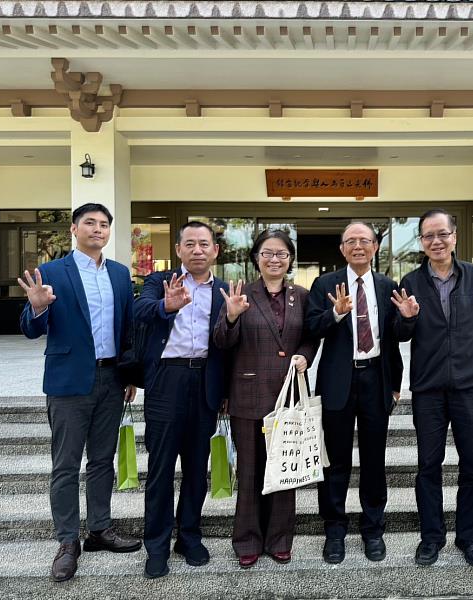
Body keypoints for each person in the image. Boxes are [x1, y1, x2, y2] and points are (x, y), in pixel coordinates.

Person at [18, 202, 141, 583]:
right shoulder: (52, 272)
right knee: (66, 465)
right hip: (69, 382)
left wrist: (130, 374)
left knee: (104, 460)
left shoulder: (121, 275)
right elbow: (30, 329)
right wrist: (36, 308)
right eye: (90, 223)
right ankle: (68, 541)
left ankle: (100, 530)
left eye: (104, 224)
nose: (98, 229)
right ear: (74, 229)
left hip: (111, 379)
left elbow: (128, 328)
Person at [394, 209, 473, 568]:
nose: (436, 241)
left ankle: (471, 537)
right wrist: (406, 319)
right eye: (428, 236)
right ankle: (431, 536)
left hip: (471, 385)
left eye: (442, 234)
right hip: (428, 388)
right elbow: (400, 334)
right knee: (428, 465)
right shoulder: (410, 280)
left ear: (455, 237)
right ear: (421, 243)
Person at [212, 229, 319, 569]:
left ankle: (279, 539)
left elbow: (310, 337)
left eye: (282, 254)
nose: (275, 259)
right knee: (250, 472)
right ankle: (247, 539)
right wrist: (230, 316)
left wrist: (304, 356)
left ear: (290, 259)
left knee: (284, 470)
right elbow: (221, 342)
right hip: (247, 394)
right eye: (268, 253)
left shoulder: (301, 295)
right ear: (256, 258)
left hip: (287, 395)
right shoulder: (240, 294)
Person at [304, 222, 403, 565]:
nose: (358, 246)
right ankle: (334, 528)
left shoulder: (388, 286)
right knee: (336, 461)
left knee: (374, 460)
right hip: (337, 382)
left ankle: (373, 527)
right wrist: (335, 313)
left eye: (364, 240)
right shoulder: (325, 284)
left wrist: (395, 384)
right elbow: (312, 326)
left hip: (376, 378)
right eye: (351, 241)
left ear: (375, 246)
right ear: (342, 249)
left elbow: (395, 337)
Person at [134, 220, 228, 579]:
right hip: (166, 380)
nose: (197, 250)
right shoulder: (159, 283)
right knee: (160, 470)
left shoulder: (223, 290)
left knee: (196, 468)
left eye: (204, 244)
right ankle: (156, 545)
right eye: (190, 244)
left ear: (215, 250)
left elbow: (229, 345)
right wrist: (165, 306)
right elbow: (138, 312)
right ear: (178, 250)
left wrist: (226, 392)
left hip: (205, 380)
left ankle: (189, 536)